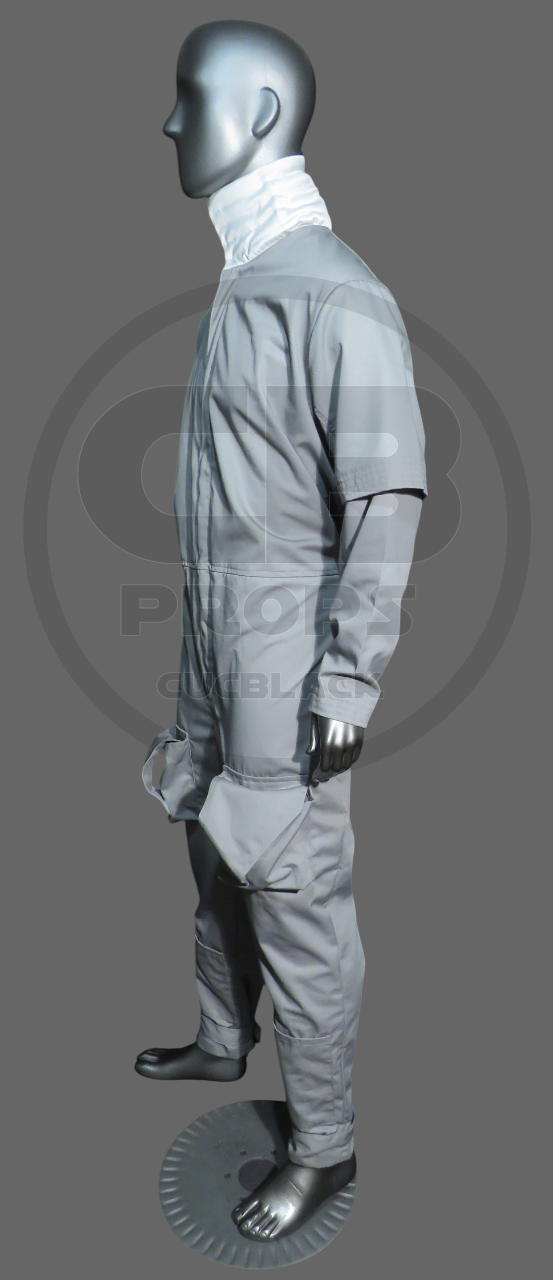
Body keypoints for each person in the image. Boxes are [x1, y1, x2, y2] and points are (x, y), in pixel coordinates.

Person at [136, 20, 427, 1241]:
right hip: (216, 646)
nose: (168, 122)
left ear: (258, 114)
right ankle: (222, 1034)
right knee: (207, 838)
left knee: (293, 886)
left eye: (188, 97)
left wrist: (348, 680)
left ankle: (324, 1144)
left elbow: (386, 494)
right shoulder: (247, 271)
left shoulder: (334, 289)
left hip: (285, 659)